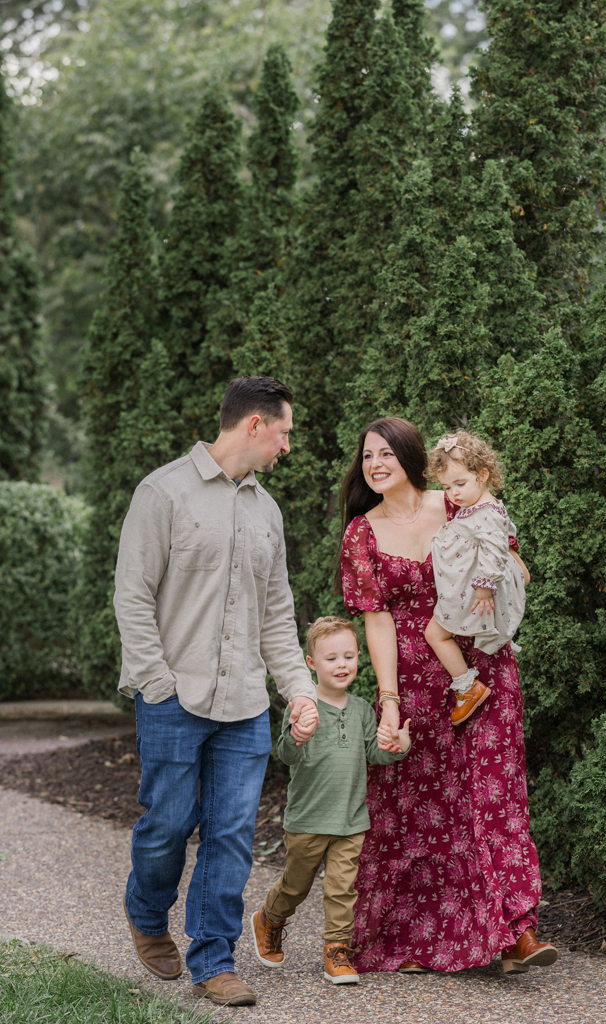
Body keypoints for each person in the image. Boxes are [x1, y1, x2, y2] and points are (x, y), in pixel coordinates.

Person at [115, 376, 320, 1008]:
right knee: (167, 828)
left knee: (231, 835)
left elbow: (277, 613)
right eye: (284, 432)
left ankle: (213, 958)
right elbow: (133, 597)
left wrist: (299, 690)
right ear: (254, 425)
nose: (288, 446)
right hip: (174, 696)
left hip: (246, 706)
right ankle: (148, 915)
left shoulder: (267, 510)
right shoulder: (163, 492)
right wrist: (158, 683)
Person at [339, 416, 558, 975]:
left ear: (410, 456)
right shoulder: (362, 533)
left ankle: (517, 932)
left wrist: (500, 574)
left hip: (480, 667)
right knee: (423, 811)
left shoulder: (459, 501)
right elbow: (377, 621)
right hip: (414, 680)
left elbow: (516, 568)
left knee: (495, 795)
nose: (376, 464)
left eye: (386, 453)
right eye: (367, 457)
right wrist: (389, 702)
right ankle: (428, 934)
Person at [250, 616, 410, 985]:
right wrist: (296, 735)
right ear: (311, 663)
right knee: (296, 886)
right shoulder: (303, 707)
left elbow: (375, 753)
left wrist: (397, 746)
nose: (342, 665)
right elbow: (285, 755)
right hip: (307, 819)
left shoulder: (360, 710)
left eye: (349, 656)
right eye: (332, 658)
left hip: (350, 819)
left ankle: (336, 951)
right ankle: (269, 918)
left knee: (342, 889)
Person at [423, 431, 526, 725]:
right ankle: (467, 685)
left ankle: (467, 688)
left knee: (435, 634)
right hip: (469, 588)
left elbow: (496, 550)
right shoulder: (475, 508)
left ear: (483, 474)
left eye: (460, 483)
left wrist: (483, 588)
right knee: (438, 633)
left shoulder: (487, 513)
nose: (453, 493)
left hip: (472, 592)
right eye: (446, 487)